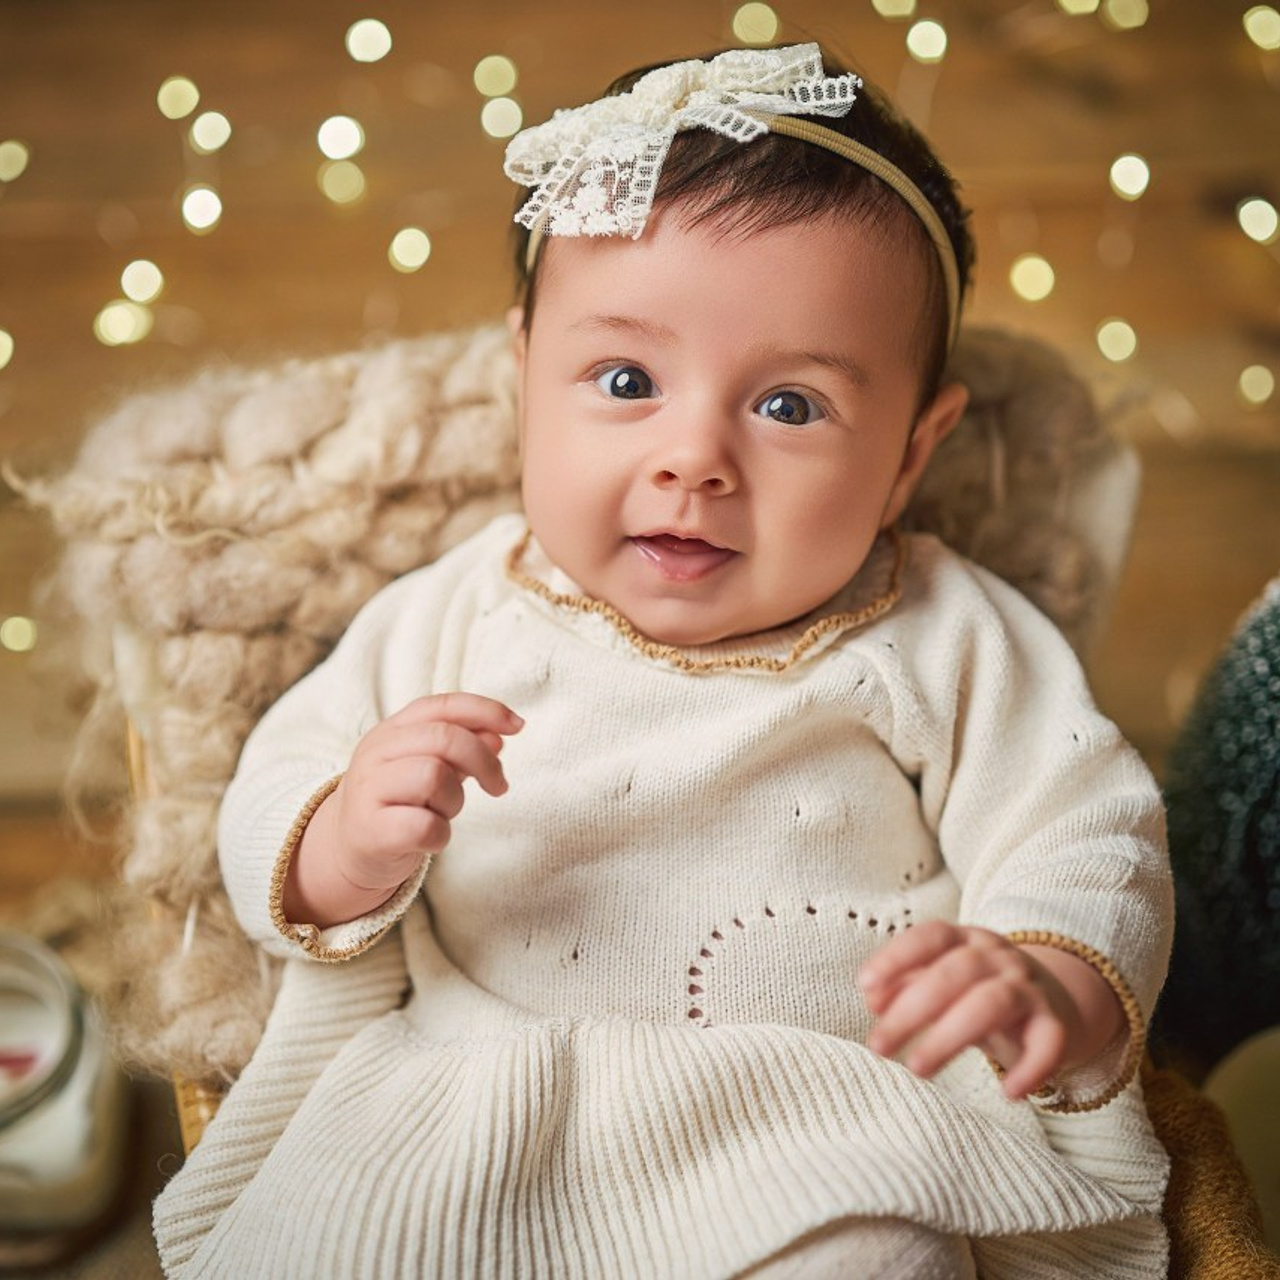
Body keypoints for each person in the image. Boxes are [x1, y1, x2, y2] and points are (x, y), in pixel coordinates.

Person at [153, 43, 1173, 1278]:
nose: (695, 457)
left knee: (880, 1256)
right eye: (626, 378)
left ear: (911, 449)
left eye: (789, 405)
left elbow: (1085, 825)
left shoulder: (947, 632)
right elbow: (282, 772)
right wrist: (340, 840)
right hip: (483, 1096)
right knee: (342, 1237)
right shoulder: (462, 605)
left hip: (819, 1123)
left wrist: (1049, 984)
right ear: (525, 374)